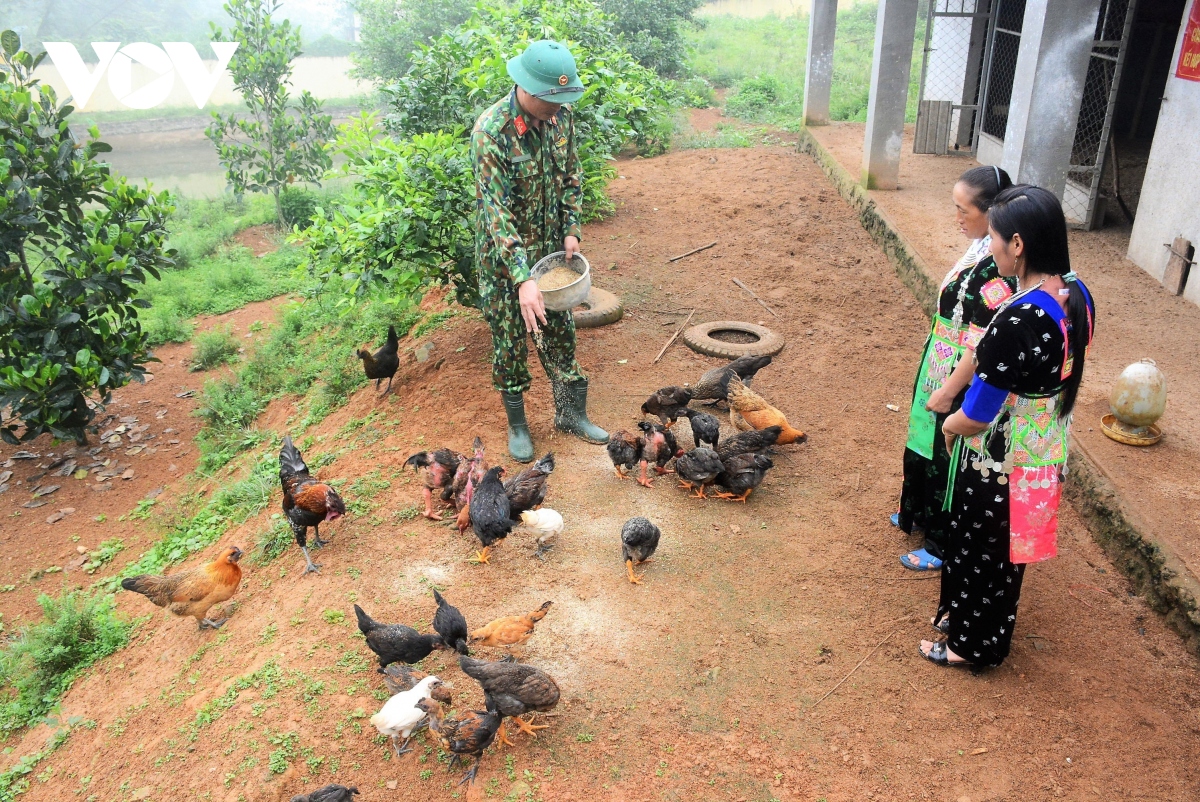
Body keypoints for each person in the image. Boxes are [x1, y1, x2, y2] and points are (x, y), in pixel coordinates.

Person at [920, 185, 1095, 668]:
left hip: (1001, 452)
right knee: (1007, 551)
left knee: (981, 547)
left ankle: (967, 646)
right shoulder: (1074, 292)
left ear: (1018, 244)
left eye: (994, 237)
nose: (988, 247)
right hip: (1042, 443)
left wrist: (952, 425)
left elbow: (981, 410)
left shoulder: (1021, 315)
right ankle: (983, 631)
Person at [470, 40, 609, 463]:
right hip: (504, 264)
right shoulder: (490, 133)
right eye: (552, 99)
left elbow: (571, 176)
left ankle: (570, 414)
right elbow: (497, 214)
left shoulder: (560, 118)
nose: (559, 107)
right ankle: (518, 426)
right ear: (525, 87)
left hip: (550, 258)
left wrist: (571, 229)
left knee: (561, 334)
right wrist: (522, 279)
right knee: (510, 343)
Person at [894, 166, 1016, 571]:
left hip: (961, 370)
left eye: (964, 211)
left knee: (948, 450)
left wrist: (950, 389)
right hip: (940, 356)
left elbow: (983, 340)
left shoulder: (1000, 268)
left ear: (992, 213)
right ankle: (919, 514)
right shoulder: (979, 249)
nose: (957, 219)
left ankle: (942, 542)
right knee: (924, 437)